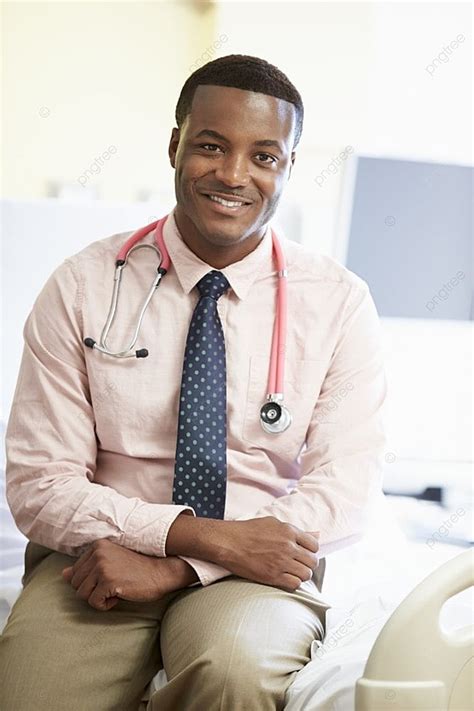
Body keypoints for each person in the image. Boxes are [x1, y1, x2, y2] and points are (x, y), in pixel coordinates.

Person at [0, 54, 387, 710]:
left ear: (289, 167)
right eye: (211, 146)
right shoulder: (84, 285)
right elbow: (39, 484)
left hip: (256, 573)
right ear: (175, 145)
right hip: (99, 560)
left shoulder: (339, 302)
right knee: (34, 692)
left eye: (264, 156)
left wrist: (181, 563)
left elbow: (343, 495)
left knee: (232, 673)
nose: (234, 175)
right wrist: (196, 534)